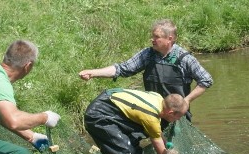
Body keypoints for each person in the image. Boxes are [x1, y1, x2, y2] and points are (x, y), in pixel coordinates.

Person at [78, 19, 213, 119]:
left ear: (169, 39)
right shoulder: (148, 54)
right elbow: (123, 69)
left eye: (156, 37)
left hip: (176, 115)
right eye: (152, 36)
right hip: (152, 112)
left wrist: (186, 101)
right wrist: (93, 72)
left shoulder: (184, 59)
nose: (152, 40)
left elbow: (206, 80)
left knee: (174, 153)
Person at [84, 88, 188, 154]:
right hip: (98, 113)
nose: (178, 120)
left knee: (134, 142)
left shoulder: (159, 99)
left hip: (109, 101)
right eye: (179, 117)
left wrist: (169, 147)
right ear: (170, 113)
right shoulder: (151, 117)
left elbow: (157, 133)